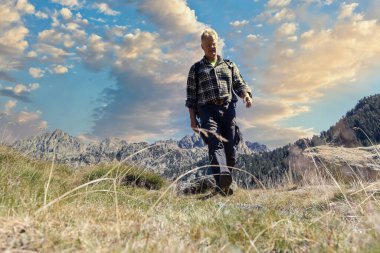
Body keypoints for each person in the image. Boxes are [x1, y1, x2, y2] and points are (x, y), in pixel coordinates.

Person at [185, 28, 253, 196]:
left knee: (231, 148)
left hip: (228, 109)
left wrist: (246, 96)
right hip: (207, 110)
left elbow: (239, 84)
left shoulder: (229, 65)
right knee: (215, 143)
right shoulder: (196, 69)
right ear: (202, 46)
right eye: (208, 45)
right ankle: (222, 176)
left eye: (214, 44)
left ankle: (224, 184)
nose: (212, 48)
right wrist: (193, 121)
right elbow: (191, 97)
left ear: (217, 44)